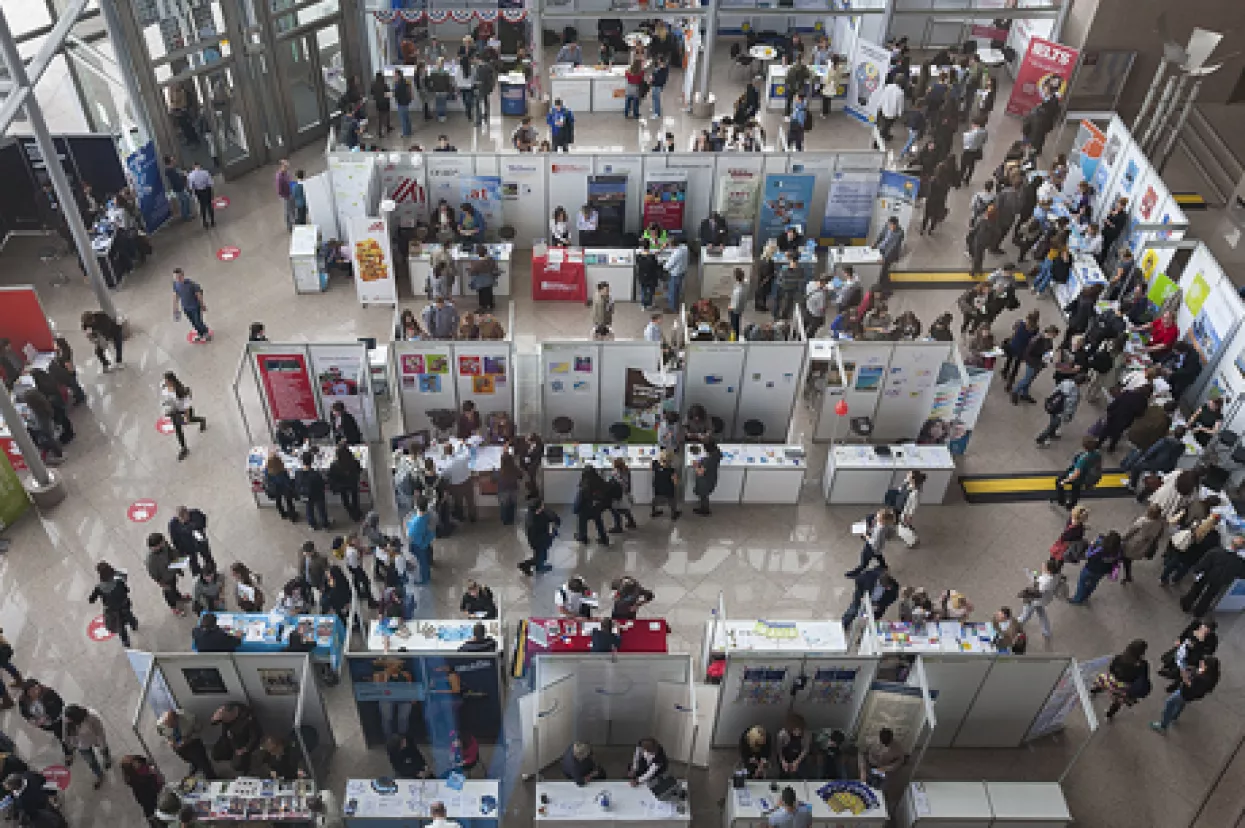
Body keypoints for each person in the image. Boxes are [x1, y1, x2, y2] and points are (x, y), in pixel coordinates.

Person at [1151, 655, 1219, 733]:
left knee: (1169, 702)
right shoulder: (1211, 676)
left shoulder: (1202, 678)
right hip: (1190, 696)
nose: (1201, 663)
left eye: (1203, 663)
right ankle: (1174, 716)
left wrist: (1184, 677)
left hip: (1185, 693)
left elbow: (1191, 686)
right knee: (1181, 704)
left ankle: (1163, 725)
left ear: (1207, 666)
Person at [1088, 639, 1151, 721]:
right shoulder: (1143, 665)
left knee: (1104, 684)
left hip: (1113, 680)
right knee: (1118, 701)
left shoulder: (1119, 658)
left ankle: (1094, 691)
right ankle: (1109, 715)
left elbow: (1111, 669)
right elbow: (1143, 679)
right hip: (1124, 686)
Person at [18, 679, 73, 764]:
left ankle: (68, 753)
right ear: (27, 693)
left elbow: (60, 704)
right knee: (56, 732)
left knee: (62, 736)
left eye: (36, 688)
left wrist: (47, 717)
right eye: (32, 691)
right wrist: (31, 719)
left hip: (56, 720)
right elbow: (24, 712)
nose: (36, 692)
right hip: (44, 725)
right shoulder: (23, 701)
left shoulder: (49, 693)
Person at [87, 561, 138, 648]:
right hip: (124, 605)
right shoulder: (118, 582)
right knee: (129, 616)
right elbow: (126, 590)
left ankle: (126, 642)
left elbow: (91, 600)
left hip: (112, 611)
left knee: (121, 627)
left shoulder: (99, 588)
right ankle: (134, 625)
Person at [157, 708, 215, 778]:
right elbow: (164, 734)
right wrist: (170, 741)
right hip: (177, 744)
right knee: (186, 758)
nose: (169, 726)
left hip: (192, 741)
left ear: (176, 718)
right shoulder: (161, 724)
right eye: (167, 724)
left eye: (171, 723)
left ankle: (211, 776)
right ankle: (194, 765)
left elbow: (199, 729)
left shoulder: (189, 719)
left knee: (202, 761)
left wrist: (189, 739)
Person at [64, 705, 112, 789]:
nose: (67, 720)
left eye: (69, 718)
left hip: (94, 738)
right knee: (91, 762)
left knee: (104, 750)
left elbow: (100, 732)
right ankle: (99, 775)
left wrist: (102, 745)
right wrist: (70, 744)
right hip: (82, 745)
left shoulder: (91, 717)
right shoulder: (68, 722)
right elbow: (67, 734)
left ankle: (107, 759)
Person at [1068, 531, 1123, 604]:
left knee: (1082, 583)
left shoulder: (1100, 546)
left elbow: (1087, 555)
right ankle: (1086, 596)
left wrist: (1091, 545)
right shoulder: (1118, 552)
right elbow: (1117, 562)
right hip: (1101, 572)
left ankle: (1077, 599)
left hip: (1090, 569)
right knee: (1093, 584)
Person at [1035, 372, 1085, 447]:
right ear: (1081, 383)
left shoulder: (1066, 382)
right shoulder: (1074, 392)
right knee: (1053, 425)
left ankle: (1052, 434)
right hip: (1060, 411)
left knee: (1054, 422)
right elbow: (1069, 405)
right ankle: (1041, 439)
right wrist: (1068, 415)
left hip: (1053, 406)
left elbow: (1055, 391)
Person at [211, 702, 263, 773]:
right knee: (216, 754)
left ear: (231, 714)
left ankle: (245, 765)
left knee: (237, 765)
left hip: (242, 743)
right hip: (229, 739)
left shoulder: (248, 719)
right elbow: (214, 723)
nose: (224, 721)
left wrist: (245, 749)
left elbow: (255, 737)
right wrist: (215, 718)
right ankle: (231, 755)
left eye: (225, 718)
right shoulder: (228, 709)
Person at [1017, 558, 1060, 638]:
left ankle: (1015, 626)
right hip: (1044, 599)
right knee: (1041, 614)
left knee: (1026, 614)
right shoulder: (1055, 576)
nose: (1043, 566)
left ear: (1049, 570)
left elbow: (1038, 591)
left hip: (1035, 600)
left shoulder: (1045, 581)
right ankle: (1046, 631)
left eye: (1044, 566)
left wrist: (1033, 580)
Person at [846, 508, 895, 577]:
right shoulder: (887, 525)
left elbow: (874, 542)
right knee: (878, 555)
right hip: (879, 547)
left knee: (864, 560)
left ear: (882, 520)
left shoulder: (880, 530)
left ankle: (857, 572)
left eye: (878, 517)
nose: (876, 517)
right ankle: (884, 566)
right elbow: (889, 535)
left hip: (872, 547)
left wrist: (866, 536)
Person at [518, 498, 560, 575]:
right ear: (538, 508)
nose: (543, 506)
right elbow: (536, 534)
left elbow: (553, 517)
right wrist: (551, 535)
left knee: (541, 556)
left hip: (539, 540)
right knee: (541, 557)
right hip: (539, 542)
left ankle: (530, 565)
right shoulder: (533, 521)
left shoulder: (534, 513)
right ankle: (535, 567)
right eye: (542, 505)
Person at [172, 268, 211, 342]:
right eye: (176, 278)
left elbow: (198, 294)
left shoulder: (191, 284)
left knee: (198, 321)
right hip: (186, 307)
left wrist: (202, 305)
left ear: (183, 276)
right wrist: (175, 307)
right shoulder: (176, 284)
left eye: (179, 277)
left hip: (195, 307)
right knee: (193, 322)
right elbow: (176, 295)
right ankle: (200, 333)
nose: (178, 279)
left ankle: (205, 332)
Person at [297, 451, 330, 529]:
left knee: (309, 509)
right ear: (312, 461)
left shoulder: (298, 473)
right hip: (317, 495)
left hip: (306, 495)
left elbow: (297, 484)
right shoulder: (315, 474)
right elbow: (322, 484)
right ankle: (325, 524)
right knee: (321, 509)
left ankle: (312, 524)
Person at [690, 440, 722, 516]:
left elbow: (700, 472)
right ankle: (703, 508)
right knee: (704, 495)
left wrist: (695, 466)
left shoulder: (709, 460)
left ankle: (705, 510)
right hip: (710, 478)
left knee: (703, 495)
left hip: (705, 481)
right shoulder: (715, 456)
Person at [776, 713, 811, 779]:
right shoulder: (782, 734)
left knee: (801, 773)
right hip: (786, 757)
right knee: (784, 775)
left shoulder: (806, 734)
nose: (797, 733)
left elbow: (806, 749)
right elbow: (779, 751)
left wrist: (797, 762)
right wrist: (783, 762)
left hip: (799, 757)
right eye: (795, 730)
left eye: (799, 730)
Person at [874, 217, 904, 281]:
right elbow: (881, 235)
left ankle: (883, 283)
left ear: (896, 225)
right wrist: (875, 244)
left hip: (890, 253)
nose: (890, 226)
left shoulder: (899, 233)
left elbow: (892, 247)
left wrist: (884, 258)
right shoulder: (887, 226)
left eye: (892, 225)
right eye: (889, 224)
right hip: (882, 248)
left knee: (884, 268)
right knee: (879, 267)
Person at [186, 162, 215, 228]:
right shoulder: (205, 172)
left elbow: (191, 187)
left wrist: (193, 194)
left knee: (202, 206)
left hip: (199, 192)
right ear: (199, 165)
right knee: (209, 205)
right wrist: (212, 192)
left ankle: (205, 222)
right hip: (207, 190)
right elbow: (210, 183)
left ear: (193, 167)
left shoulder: (191, 175)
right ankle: (212, 221)